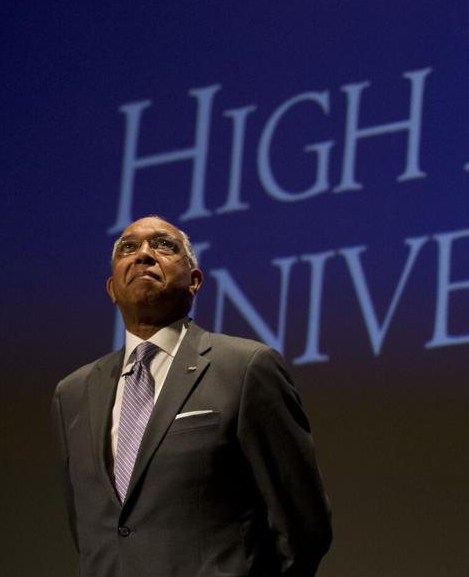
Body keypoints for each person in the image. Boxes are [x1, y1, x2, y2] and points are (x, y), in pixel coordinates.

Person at [52, 216, 331, 577]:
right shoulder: (72, 393)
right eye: (128, 248)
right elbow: (91, 530)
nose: (144, 255)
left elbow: (302, 524)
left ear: (194, 281)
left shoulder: (244, 368)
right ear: (111, 288)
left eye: (164, 245)